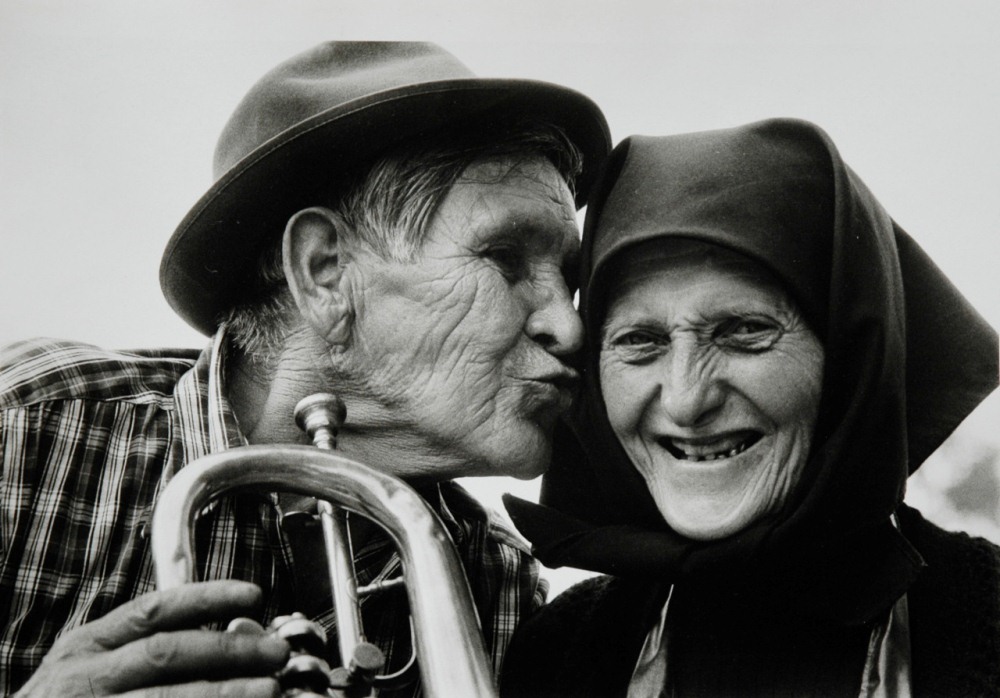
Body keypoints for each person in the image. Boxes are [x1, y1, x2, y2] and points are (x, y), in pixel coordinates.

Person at [0, 42, 610, 696]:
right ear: (324, 272)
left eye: (569, 279)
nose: (569, 324)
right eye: (506, 259)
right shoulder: (27, 431)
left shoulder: (505, 588)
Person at [501, 119, 1000, 697]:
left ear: (850, 359)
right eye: (641, 341)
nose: (687, 400)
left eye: (743, 331)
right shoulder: (557, 656)